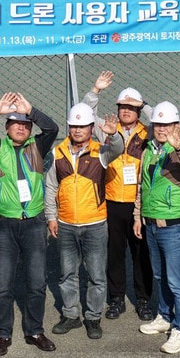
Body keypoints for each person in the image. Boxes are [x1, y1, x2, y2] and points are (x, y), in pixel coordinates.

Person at [0, 92, 61, 356]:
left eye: (25, 124)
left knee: (36, 282)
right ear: (7, 127)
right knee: (2, 284)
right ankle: (2, 333)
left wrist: (30, 110)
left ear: (30, 127)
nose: (21, 127)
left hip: (33, 223)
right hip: (4, 224)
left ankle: (34, 330)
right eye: (15, 123)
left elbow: (53, 128)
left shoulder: (38, 146)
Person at [81, 71, 155, 321]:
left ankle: (144, 300)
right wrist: (96, 90)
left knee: (141, 254)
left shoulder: (148, 133)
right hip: (112, 201)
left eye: (131, 107)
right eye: (122, 106)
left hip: (138, 204)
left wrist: (143, 105)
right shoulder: (108, 129)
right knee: (114, 253)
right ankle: (116, 299)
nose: (125, 110)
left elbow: (160, 119)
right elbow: (85, 112)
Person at [45, 103, 123, 339]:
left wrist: (113, 133)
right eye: (74, 126)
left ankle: (93, 317)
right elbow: (51, 187)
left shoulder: (102, 151)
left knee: (96, 275)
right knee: (67, 274)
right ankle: (70, 315)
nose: (78, 130)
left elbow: (118, 148)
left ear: (91, 127)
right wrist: (51, 216)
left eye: (83, 126)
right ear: (69, 127)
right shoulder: (58, 152)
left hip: (95, 223)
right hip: (67, 223)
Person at [134, 101, 180, 354]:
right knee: (160, 275)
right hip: (151, 223)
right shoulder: (149, 151)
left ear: (176, 126)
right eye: (158, 124)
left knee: (176, 280)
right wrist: (137, 215)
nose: (161, 129)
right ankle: (164, 316)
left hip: (172, 226)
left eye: (167, 124)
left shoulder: (179, 151)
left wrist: (179, 146)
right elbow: (142, 187)